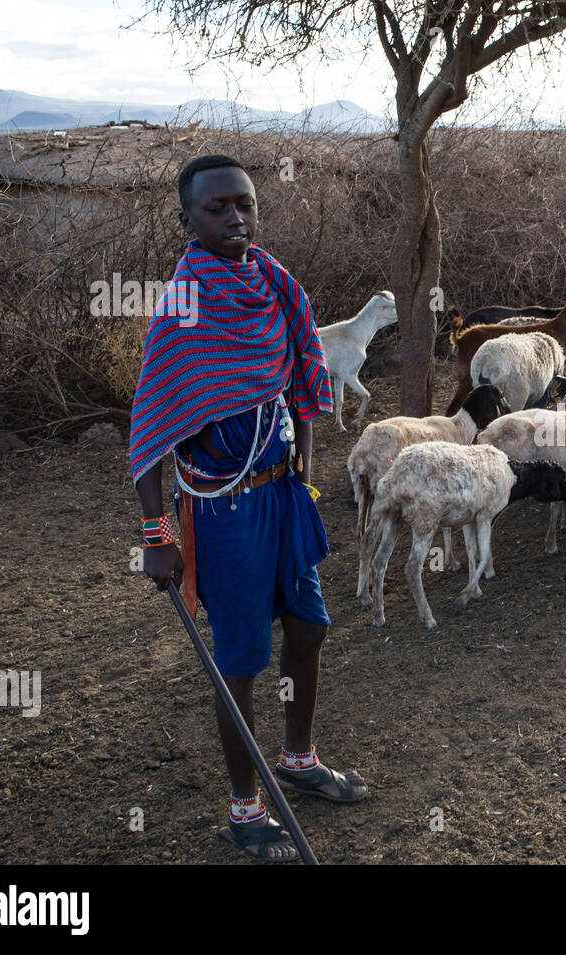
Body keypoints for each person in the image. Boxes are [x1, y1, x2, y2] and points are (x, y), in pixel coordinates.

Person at [129, 154, 367, 862]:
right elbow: (148, 431)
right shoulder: (182, 309)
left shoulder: (274, 285)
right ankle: (244, 808)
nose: (236, 217)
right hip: (223, 511)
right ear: (187, 220)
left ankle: (297, 759)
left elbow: (301, 382)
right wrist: (157, 535)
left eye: (245, 204)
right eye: (217, 208)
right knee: (239, 658)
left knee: (309, 630)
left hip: (284, 497)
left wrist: (306, 468)